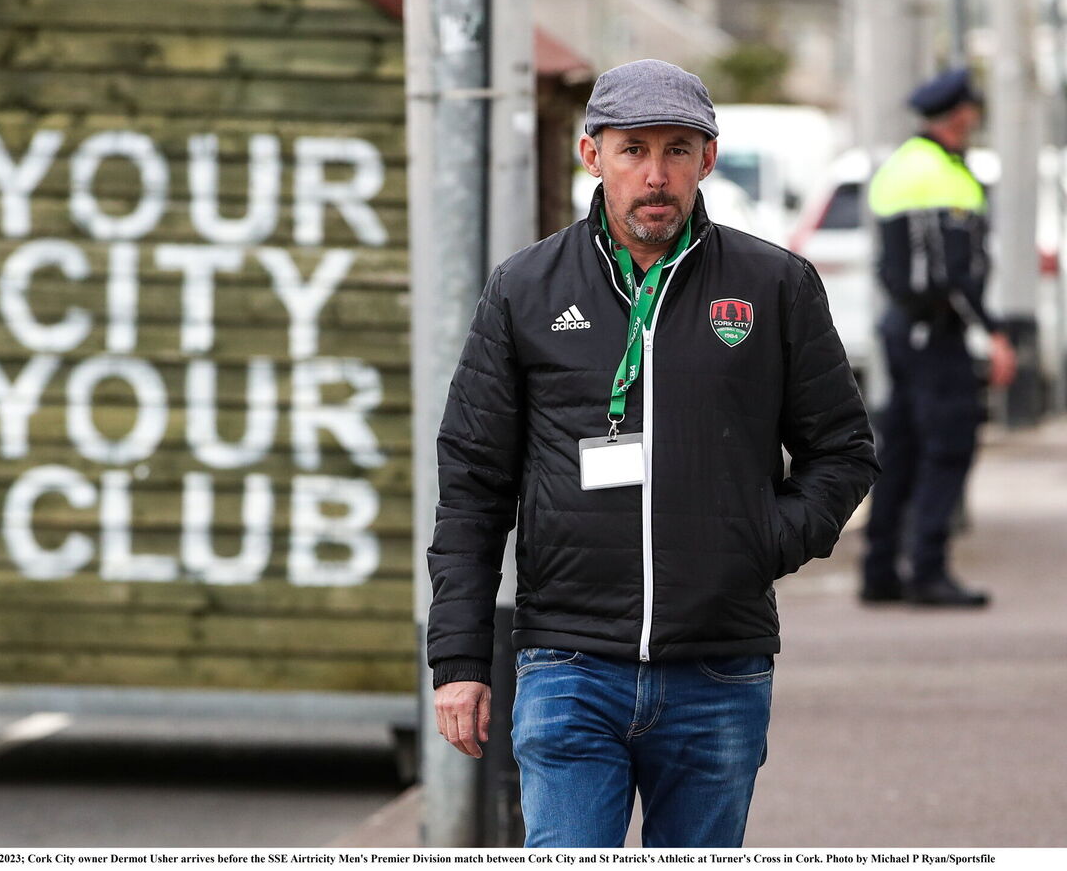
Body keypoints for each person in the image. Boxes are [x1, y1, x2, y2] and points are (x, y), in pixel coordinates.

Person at [424, 59, 878, 848]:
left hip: (719, 666)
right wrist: (460, 654)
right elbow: (473, 481)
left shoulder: (774, 285)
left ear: (708, 158)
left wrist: (761, 540)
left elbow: (841, 449)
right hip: (568, 662)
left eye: (677, 149)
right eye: (633, 148)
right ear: (591, 154)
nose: (656, 174)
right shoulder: (525, 289)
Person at [859, 68, 1017, 609]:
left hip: (902, 329)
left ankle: (879, 571)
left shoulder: (901, 166)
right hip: (936, 332)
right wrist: (994, 333)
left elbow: (894, 265)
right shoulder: (941, 174)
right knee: (948, 445)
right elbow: (954, 274)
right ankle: (928, 569)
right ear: (960, 116)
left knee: (899, 448)